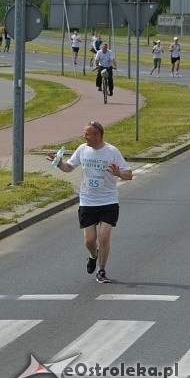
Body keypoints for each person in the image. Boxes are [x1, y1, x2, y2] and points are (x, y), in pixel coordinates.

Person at [46, 121, 132, 283]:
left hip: (108, 200)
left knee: (104, 236)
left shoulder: (111, 151)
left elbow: (129, 174)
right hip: (88, 201)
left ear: (97, 135)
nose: (84, 137)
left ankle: (101, 270)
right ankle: (93, 256)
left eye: (87, 134)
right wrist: (58, 163)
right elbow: (69, 168)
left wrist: (119, 173)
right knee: (90, 240)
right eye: (84, 134)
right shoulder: (82, 150)